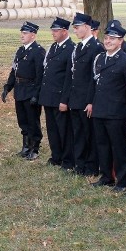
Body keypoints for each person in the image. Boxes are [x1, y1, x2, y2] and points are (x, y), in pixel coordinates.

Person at [88, 21, 126, 190]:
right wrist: (91, 103)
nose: (108, 41)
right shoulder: (99, 58)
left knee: (119, 148)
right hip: (100, 110)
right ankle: (106, 176)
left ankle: (122, 181)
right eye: (106, 38)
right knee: (103, 146)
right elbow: (94, 85)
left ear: (120, 41)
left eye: (112, 39)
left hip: (117, 113)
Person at [2, 22, 47, 160]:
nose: (22, 35)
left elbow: (41, 75)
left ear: (33, 35)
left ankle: (35, 148)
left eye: (25, 33)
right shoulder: (20, 51)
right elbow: (14, 71)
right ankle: (26, 147)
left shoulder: (38, 51)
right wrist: (7, 87)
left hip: (31, 90)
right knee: (23, 120)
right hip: (20, 90)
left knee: (33, 121)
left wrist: (36, 94)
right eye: (22, 33)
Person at [67, 12, 104, 175]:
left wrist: (91, 101)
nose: (75, 30)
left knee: (90, 134)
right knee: (78, 133)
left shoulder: (96, 48)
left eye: (77, 27)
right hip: (76, 98)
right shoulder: (79, 47)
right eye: (74, 28)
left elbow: (93, 78)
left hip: (86, 99)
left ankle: (91, 166)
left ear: (87, 27)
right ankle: (79, 164)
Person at [39, 17, 75, 167]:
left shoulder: (71, 48)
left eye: (56, 30)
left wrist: (64, 100)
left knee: (64, 131)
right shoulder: (53, 47)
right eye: (52, 30)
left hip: (60, 97)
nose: (53, 33)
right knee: (52, 129)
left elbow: (69, 78)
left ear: (65, 31)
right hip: (49, 96)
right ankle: (56, 157)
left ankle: (67, 160)